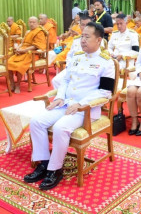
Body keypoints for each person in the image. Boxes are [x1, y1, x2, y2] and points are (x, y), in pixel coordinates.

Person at [24, 22, 115, 190]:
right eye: (82, 36)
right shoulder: (77, 57)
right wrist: (59, 97)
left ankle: (55, 169)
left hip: (85, 110)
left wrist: (82, 104)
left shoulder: (106, 63)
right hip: (66, 104)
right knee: (36, 122)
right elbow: (65, 80)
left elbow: (105, 93)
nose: (83, 40)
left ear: (99, 40)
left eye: (87, 37)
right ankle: (44, 163)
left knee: (60, 128)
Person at [51, 16, 93, 89]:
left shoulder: (96, 40)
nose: (85, 27)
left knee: (76, 84)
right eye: (83, 25)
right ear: (80, 26)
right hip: (73, 68)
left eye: (88, 24)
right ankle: (63, 99)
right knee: (56, 81)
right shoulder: (76, 40)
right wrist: (70, 65)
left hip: (87, 69)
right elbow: (69, 55)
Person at [8, 17, 46, 93]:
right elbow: (22, 42)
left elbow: (36, 46)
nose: (31, 24)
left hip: (31, 53)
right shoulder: (27, 32)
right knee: (8, 62)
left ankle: (18, 85)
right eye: (30, 22)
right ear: (28, 23)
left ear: (37, 23)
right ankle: (12, 84)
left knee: (20, 66)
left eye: (33, 22)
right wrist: (18, 48)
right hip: (22, 51)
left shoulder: (39, 32)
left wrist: (24, 50)